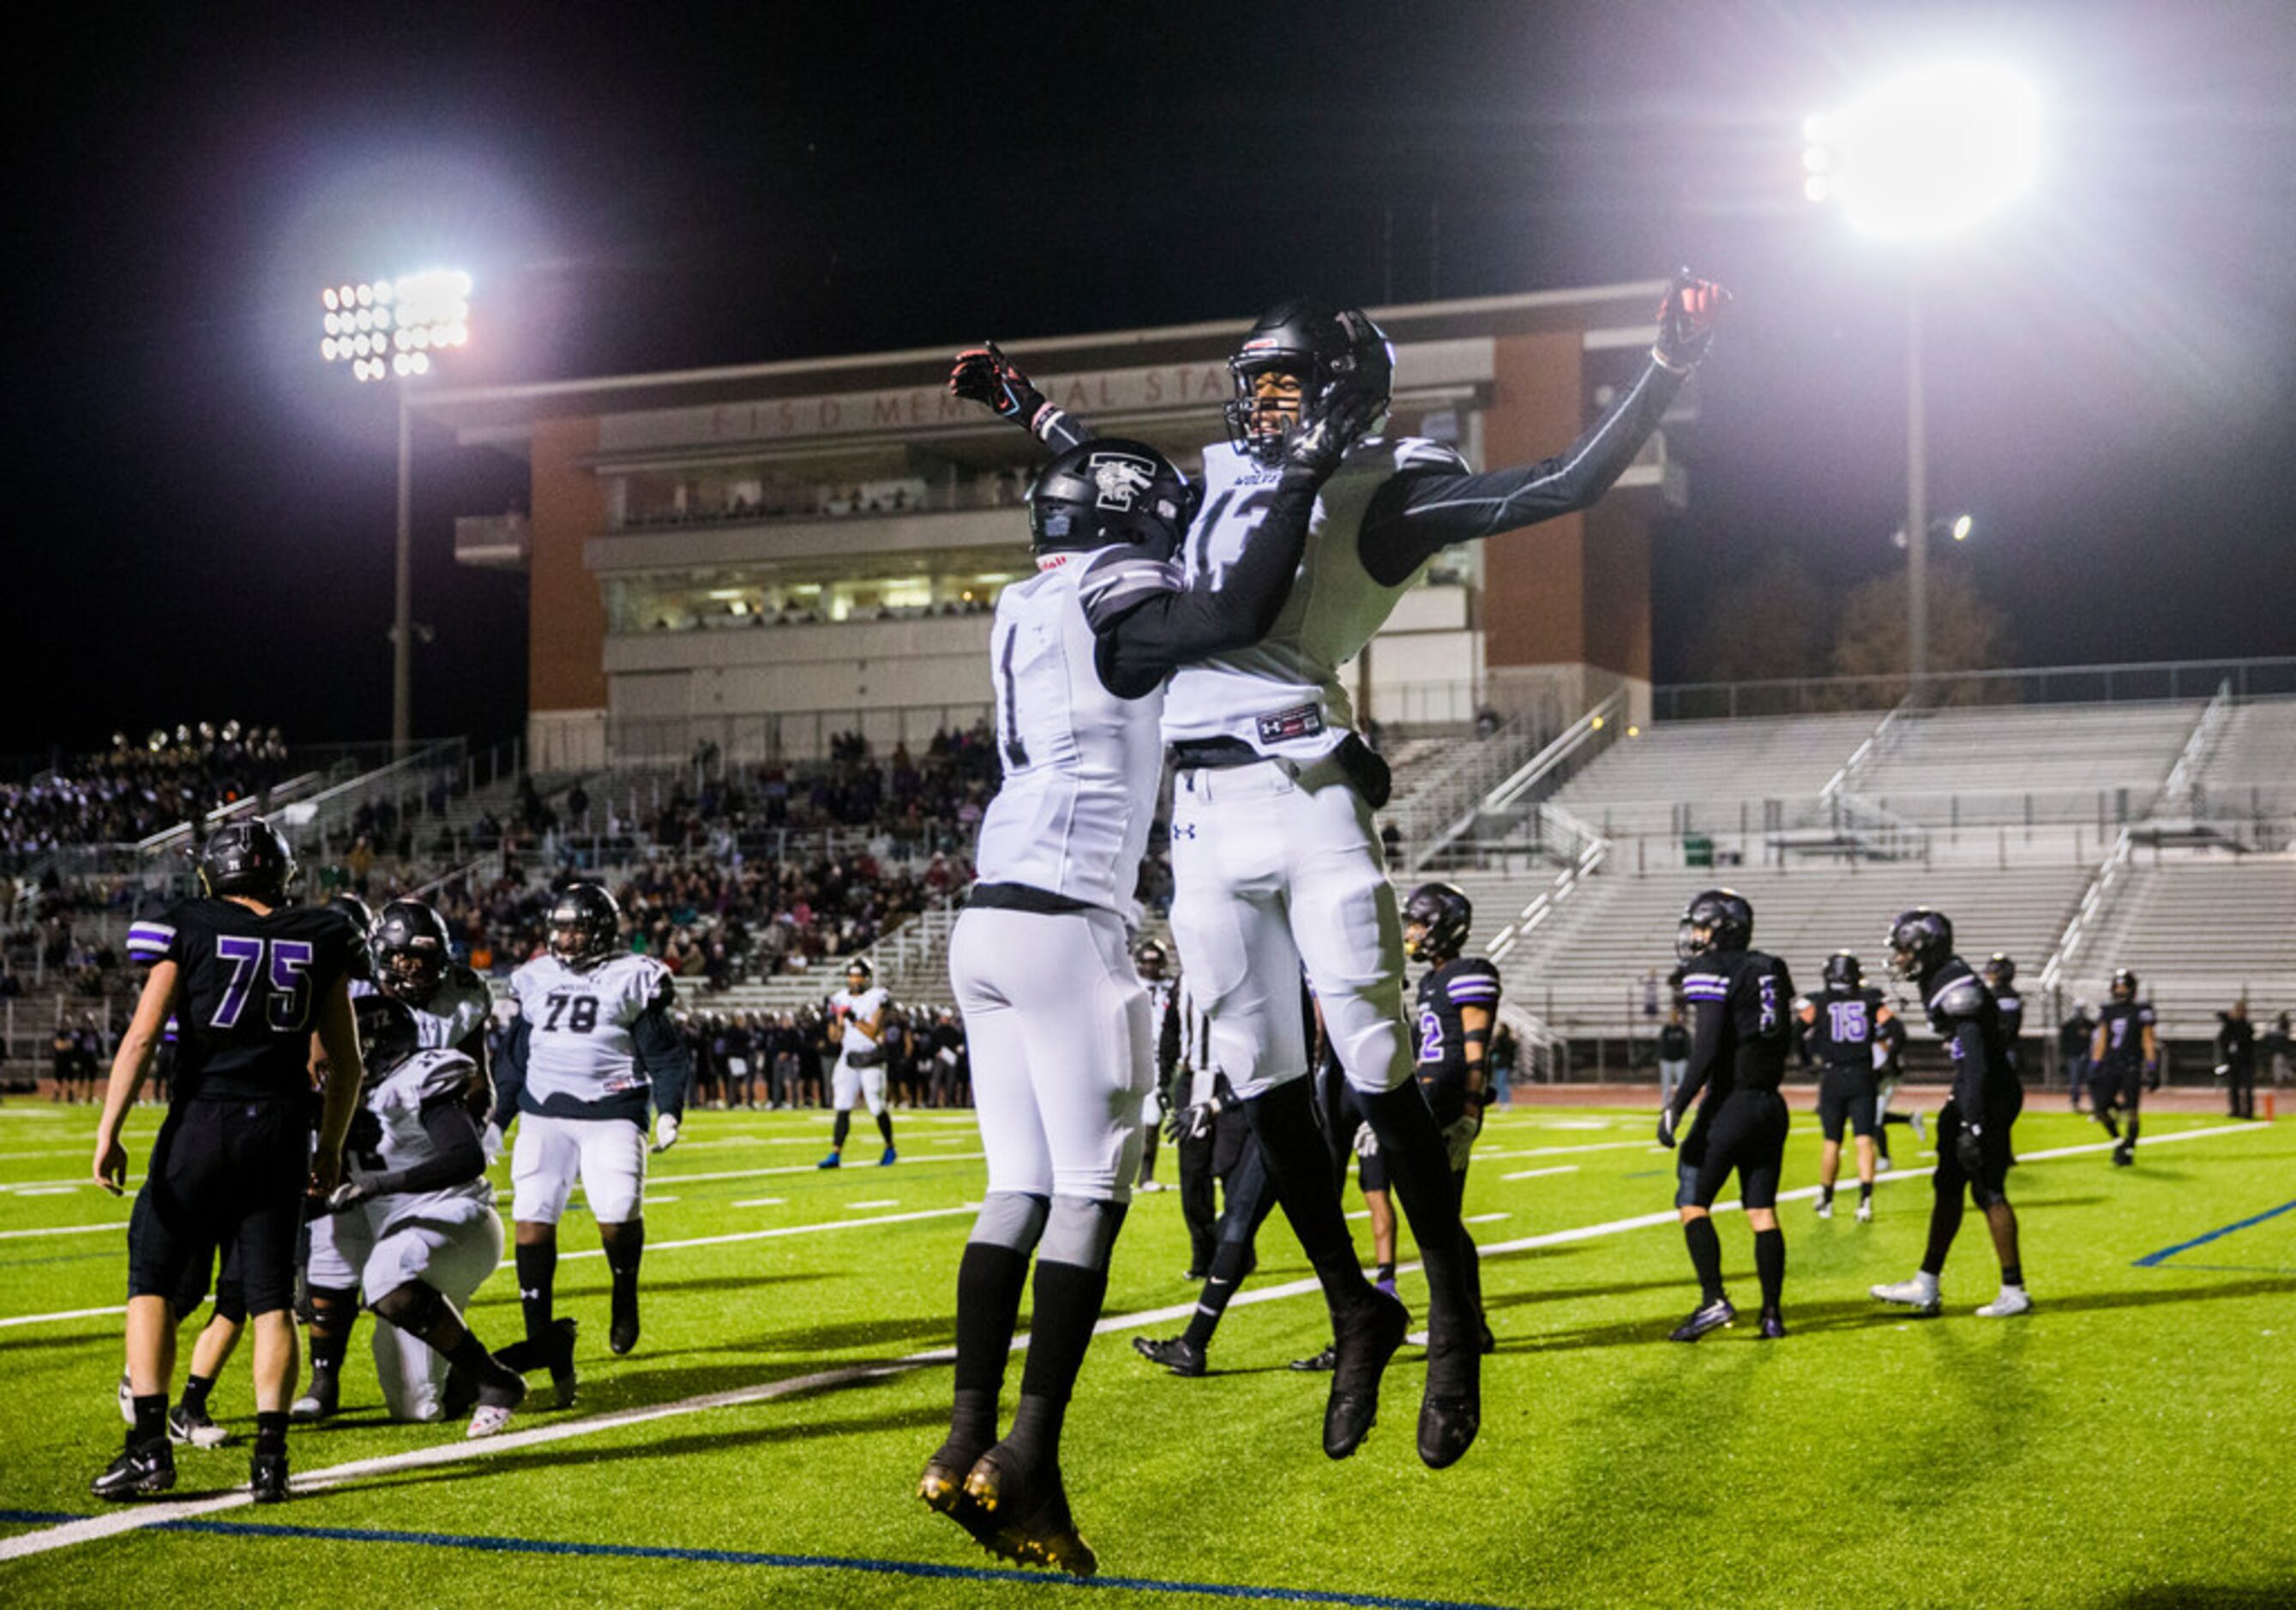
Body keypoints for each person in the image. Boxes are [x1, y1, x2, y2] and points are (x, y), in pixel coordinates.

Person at [950, 270, 1730, 1470]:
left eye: (1285, 379)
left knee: (1372, 1059)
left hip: (1305, 784)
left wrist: (1667, 365)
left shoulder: (1384, 484)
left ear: (1343, 389)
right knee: (1264, 1083)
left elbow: (1562, 482)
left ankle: (1458, 1315)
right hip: (1201, 814)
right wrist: (1029, 409)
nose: (1263, 401)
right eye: (1252, 379)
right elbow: (1111, 480)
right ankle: (1353, 1303)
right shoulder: (1203, 480)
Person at [921, 421, 1354, 1576]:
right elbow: (1229, 618)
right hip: (1072, 920)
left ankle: (964, 1434)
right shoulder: (1120, 588)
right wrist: (1300, 474)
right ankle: (1026, 1451)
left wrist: (1044, 421)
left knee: (1013, 1187)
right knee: (1087, 1193)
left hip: (986, 916)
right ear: (1129, 520)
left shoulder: (1025, 600)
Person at [90, 820, 365, 1502]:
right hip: (280, 1126)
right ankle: (271, 1461)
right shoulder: (323, 932)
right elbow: (347, 1063)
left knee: (151, 1280)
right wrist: (328, 1145)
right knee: (270, 1299)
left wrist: (109, 1129)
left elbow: (144, 1035)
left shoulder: (186, 921)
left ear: (215, 872)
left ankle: (149, 1447)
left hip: (203, 1120)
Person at [297, 898, 499, 1421]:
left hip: (421, 1138)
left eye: (424, 959)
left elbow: (477, 1074)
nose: (413, 969)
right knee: (332, 1252)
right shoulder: (349, 984)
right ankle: (324, 1380)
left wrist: (470, 1116)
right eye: (403, 958)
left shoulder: (464, 994)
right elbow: (316, 1067)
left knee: (417, 1401)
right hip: (353, 1131)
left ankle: (488, 1370)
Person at [492, 882, 691, 1407]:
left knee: (618, 1211)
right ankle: (540, 1338)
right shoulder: (535, 978)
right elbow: (514, 1060)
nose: (566, 937)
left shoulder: (632, 976)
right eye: (560, 927)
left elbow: (666, 1055)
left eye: (576, 927)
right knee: (532, 1215)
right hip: (543, 1113)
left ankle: (624, 1290)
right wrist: (498, 1117)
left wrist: (668, 1109)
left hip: (612, 1110)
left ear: (601, 930)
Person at [309, 995, 528, 1436]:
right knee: (417, 1406)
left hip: (456, 1218)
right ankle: (535, 1353)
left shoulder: (414, 1080)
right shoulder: (336, 1093)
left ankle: (497, 1381)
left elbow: (467, 1158)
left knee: (385, 1277)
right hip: (400, 1232)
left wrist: (378, 1185)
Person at [1871, 909, 2031, 1319]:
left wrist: (1974, 1120)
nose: (1899, 958)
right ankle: (1927, 1282)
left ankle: (2013, 1290)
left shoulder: (1956, 987)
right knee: (1947, 1183)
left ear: (1926, 947)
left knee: (1987, 1188)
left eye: (1905, 950)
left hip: (1988, 1092)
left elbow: (1976, 1058)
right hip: (1973, 1089)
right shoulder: (1938, 978)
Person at [1656, 890, 1793, 1342]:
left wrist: (1676, 1106)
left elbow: (1708, 1047)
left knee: (1692, 1202)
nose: (1696, 936)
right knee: (1761, 1210)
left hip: (1729, 1103)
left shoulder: (1712, 969)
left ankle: (1713, 1298)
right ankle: (1772, 1314)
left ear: (1724, 927)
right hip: (1771, 1104)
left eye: (1703, 926)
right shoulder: (1770, 968)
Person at [1795, 951, 1893, 1223]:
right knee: (1864, 1140)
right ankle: (1865, 1201)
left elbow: (1796, 1031)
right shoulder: (1870, 999)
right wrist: (1889, 1063)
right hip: (1862, 1075)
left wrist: (1806, 1061)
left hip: (1833, 1075)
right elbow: (1896, 1029)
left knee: (1831, 1142)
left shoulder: (1819, 1001)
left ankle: (1826, 1198)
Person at [819, 958, 898, 1167]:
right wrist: (835, 1019)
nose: (854, 981)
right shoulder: (839, 998)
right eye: (851, 976)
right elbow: (835, 1038)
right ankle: (836, 1153)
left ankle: (890, 1147)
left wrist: (852, 1018)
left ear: (867, 978)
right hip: (848, 1056)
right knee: (842, 1104)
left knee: (876, 1106)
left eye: (858, 976)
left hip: (871, 1056)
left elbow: (873, 1032)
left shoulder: (877, 997)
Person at [2090, 968, 2158, 1167]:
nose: (2119, 991)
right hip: (2110, 1064)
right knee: (2100, 1108)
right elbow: (2101, 1041)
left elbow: (2147, 1041)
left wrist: (2152, 1066)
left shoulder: (2141, 1011)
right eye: (2117, 986)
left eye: (2123, 986)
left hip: (2130, 1064)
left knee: (2132, 1110)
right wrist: (2095, 1064)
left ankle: (2128, 1147)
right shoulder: (2108, 1011)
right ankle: (2118, 1140)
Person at [2215, 1000, 2257, 1120]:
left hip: (2246, 1061)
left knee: (2247, 1087)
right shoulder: (2229, 1026)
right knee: (2233, 1086)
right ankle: (2236, 1109)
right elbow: (2223, 1037)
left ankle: (2248, 1111)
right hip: (2233, 1061)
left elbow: (2246, 1041)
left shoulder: (2246, 1026)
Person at [1985, 953, 2025, 1075]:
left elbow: (2007, 1026)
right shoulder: (1996, 993)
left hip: (2003, 1048)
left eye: (1993, 971)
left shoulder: (2005, 995)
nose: (1989, 974)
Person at [2059, 1000, 2097, 1113]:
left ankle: (2096, 1104)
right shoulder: (2068, 1026)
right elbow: (2064, 1042)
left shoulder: (2091, 1025)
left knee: (2093, 1081)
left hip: (2089, 1056)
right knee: (2075, 1081)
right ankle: (2075, 1103)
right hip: (2074, 1056)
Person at [1656, 1007, 1690, 1111]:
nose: (1674, 1018)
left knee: (1681, 1085)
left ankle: (1680, 1105)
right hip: (1667, 1060)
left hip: (1680, 1060)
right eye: (1672, 1016)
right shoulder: (1666, 1030)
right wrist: (1662, 1057)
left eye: (1675, 1016)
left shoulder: (1682, 1030)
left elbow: (1687, 1044)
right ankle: (1666, 1105)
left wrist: (1686, 1057)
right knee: (1666, 1085)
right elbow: (1661, 1044)